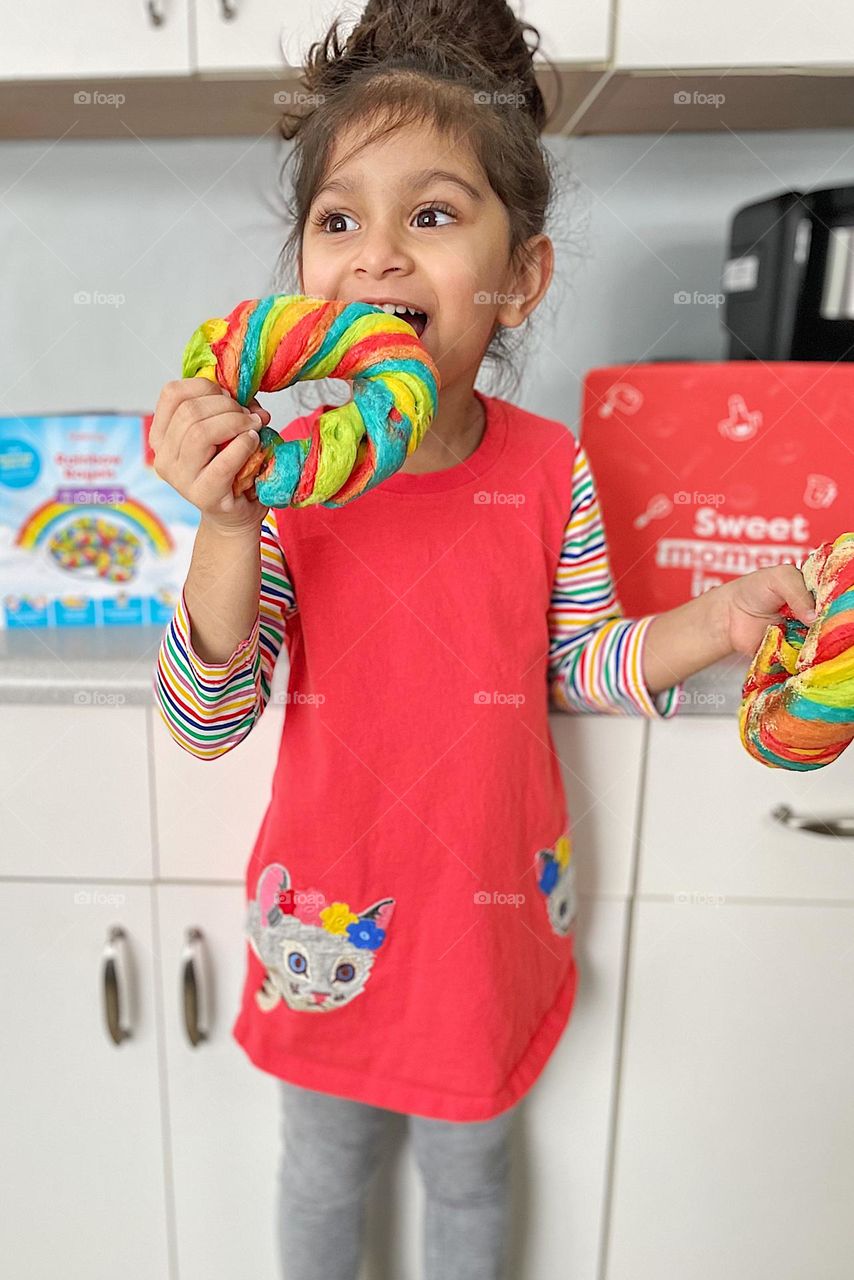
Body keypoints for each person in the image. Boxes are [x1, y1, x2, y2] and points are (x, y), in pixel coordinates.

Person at [149, 2, 819, 1276]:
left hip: (481, 929)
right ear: (300, 278)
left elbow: (579, 663)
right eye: (339, 220)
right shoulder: (287, 477)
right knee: (321, 1172)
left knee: (469, 1177)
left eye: (434, 216)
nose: (379, 256)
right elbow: (206, 714)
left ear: (520, 278)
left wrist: (719, 618)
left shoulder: (548, 466)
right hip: (324, 927)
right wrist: (227, 520)